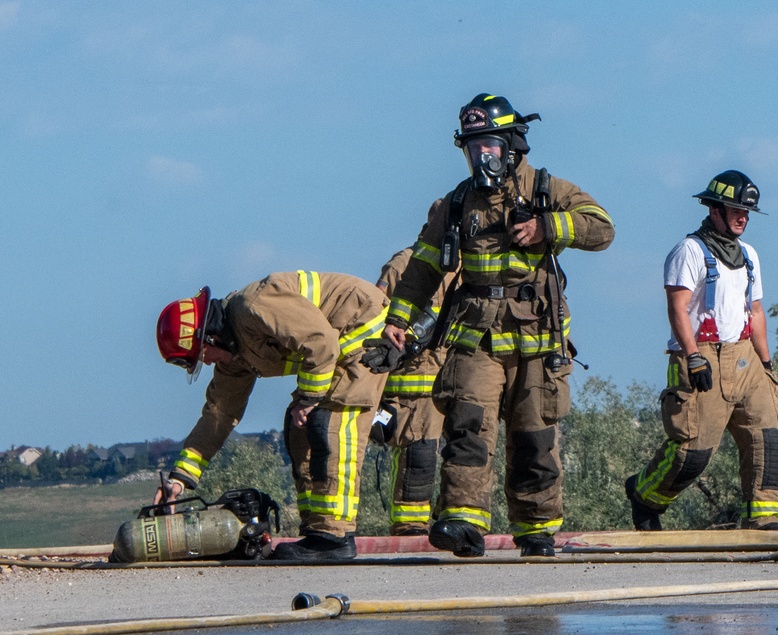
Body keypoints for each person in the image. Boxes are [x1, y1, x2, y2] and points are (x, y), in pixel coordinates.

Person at [376, 93, 614, 558]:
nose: (479, 155)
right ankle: (462, 523)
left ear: (511, 144)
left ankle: (537, 528)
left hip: (538, 339)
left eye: (487, 145)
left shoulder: (550, 189)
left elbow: (602, 229)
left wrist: (550, 227)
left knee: (535, 434)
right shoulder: (457, 203)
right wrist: (398, 321)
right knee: (467, 427)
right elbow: (423, 268)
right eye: (472, 147)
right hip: (476, 337)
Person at [154, 271, 389, 561]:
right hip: (334, 347)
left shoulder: (255, 306)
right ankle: (315, 530)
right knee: (299, 431)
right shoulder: (234, 355)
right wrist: (180, 479)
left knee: (331, 424)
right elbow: (218, 416)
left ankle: (333, 537)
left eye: (202, 354)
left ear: (211, 335)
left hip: (361, 329)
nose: (207, 361)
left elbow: (322, 342)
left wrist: (309, 398)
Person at [625, 170, 778, 531]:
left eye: (747, 212)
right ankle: (645, 495)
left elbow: (756, 311)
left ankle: (765, 522)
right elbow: (677, 308)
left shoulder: (749, 256)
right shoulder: (689, 251)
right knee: (693, 453)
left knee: (767, 441)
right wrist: (693, 355)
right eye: (734, 210)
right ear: (713, 209)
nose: (743, 217)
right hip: (701, 358)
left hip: (746, 358)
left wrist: (767, 364)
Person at [371, 248, 455, 536]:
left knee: (465, 453)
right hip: (415, 381)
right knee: (417, 454)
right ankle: (411, 528)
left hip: (459, 375)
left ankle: (453, 518)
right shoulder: (405, 264)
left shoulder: (475, 264)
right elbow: (376, 313)